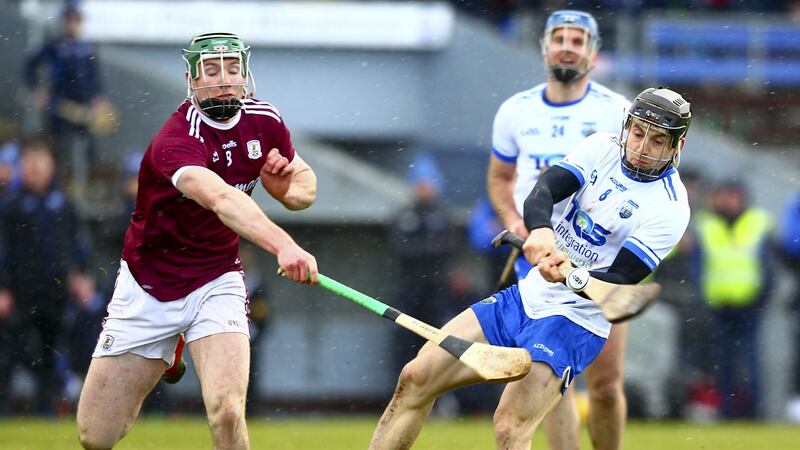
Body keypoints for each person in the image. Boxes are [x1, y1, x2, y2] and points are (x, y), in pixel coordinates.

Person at [369, 87, 692, 450]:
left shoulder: (671, 208)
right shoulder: (602, 147)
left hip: (575, 320)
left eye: (657, 139)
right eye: (637, 131)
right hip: (527, 295)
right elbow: (545, 191)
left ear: (675, 147)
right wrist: (541, 231)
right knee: (415, 378)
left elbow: (622, 277)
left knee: (510, 425)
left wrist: (573, 275)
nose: (642, 145)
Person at [76, 32, 318, 450]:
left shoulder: (265, 120)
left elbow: (305, 185)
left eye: (231, 69)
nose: (223, 79)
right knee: (95, 437)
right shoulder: (175, 140)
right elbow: (222, 199)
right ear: (192, 80)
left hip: (216, 279)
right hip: (149, 286)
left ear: (245, 76)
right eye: (211, 70)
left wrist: (286, 193)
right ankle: (170, 345)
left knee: (226, 411)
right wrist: (284, 245)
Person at [486, 10, 631, 450]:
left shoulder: (617, 111)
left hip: (602, 260)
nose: (568, 45)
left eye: (578, 39)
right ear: (544, 48)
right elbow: (500, 179)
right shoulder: (516, 110)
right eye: (560, 38)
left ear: (593, 52)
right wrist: (517, 224)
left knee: (605, 384)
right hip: (540, 256)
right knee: (548, 373)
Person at [0, 134, 92, 415]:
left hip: (55, 294)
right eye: (30, 163)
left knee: (51, 356)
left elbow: (78, 246)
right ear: (22, 168)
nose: (36, 169)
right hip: (19, 294)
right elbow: (3, 250)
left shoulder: (63, 204)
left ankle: (46, 413)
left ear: (51, 166)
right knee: (9, 355)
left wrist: (81, 276)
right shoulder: (11, 206)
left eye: (41, 162)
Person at [695, 180, 773, 419]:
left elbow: (768, 267)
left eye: (732, 196)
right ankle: (726, 412)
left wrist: (762, 298)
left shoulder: (757, 223)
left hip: (749, 305)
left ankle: (754, 413)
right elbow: (697, 266)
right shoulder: (706, 224)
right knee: (723, 362)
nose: (727, 202)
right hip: (719, 305)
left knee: (751, 362)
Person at [23, 3, 113, 188]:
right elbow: (30, 64)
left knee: (87, 144)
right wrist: (36, 89)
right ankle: (56, 183)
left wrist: (99, 98)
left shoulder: (86, 47)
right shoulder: (55, 45)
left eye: (76, 20)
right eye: (69, 20)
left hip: (83, 107)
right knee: (58, 143)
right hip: (60, 105)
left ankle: (86, 183)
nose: (72, 24)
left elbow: (94, 76)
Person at [389, 152, 456, 373]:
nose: (424, 188)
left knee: (437, 339)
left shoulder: (442, 214)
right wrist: (429, 247)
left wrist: (425, 248)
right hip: (409, 287)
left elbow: (448, 248)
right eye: (419, 183)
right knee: (404, 340)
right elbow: (402, 249)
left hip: (437, 289)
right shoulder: (405, 214)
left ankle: (441, 396)